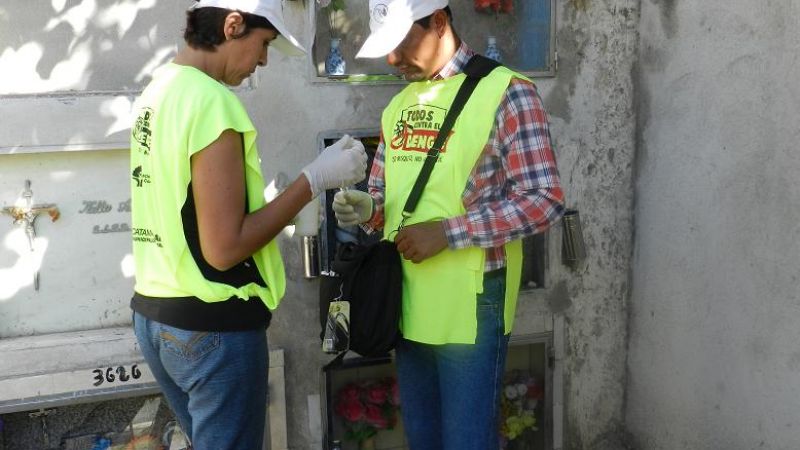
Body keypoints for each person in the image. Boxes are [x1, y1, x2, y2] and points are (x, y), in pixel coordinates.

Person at [128, 1, 367, 448]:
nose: (262, 61)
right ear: (232, 25)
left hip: (157, 316)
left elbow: (188, 211)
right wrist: (311, 181)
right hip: (211, 327)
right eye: (264, 44)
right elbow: (223, 248)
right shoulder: (212, 102)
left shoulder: (159, 90)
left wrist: (273, 210)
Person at [332, 1, 564, 449]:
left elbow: (544, 200)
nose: (392, 60)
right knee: (423, 436)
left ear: (439, 22)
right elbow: (387, 202)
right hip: (408, 296)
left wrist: (448, 232)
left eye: (401, 43)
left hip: (473, 302)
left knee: (467, 440)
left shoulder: (507, 91)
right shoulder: (398, 106)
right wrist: (369, 209)